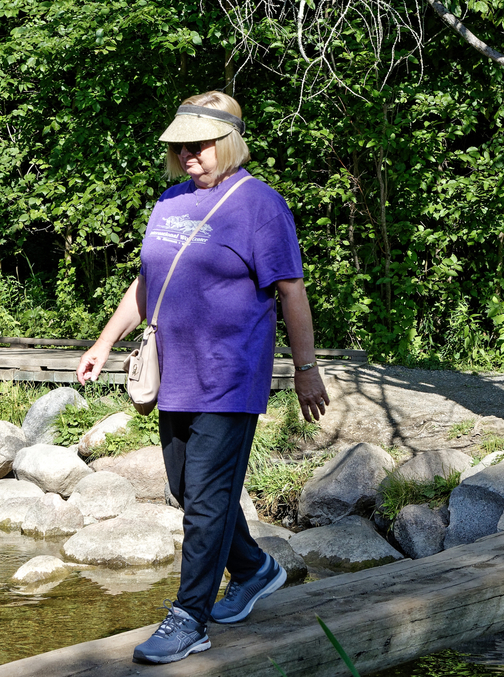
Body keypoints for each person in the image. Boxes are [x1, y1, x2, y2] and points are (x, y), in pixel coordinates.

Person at [76, 90, 330, 665]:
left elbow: (291, 291)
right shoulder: (170, 202)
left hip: (230, 374)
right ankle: (255, 566)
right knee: (188, 491)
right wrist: (103, 341)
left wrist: (306, 370)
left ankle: (190, 617)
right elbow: (147, 283)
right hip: (175, 375)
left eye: (201, 144)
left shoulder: (260, 206)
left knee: (209, 500)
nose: (190, 154)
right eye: (182, 145)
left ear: (228, 142)